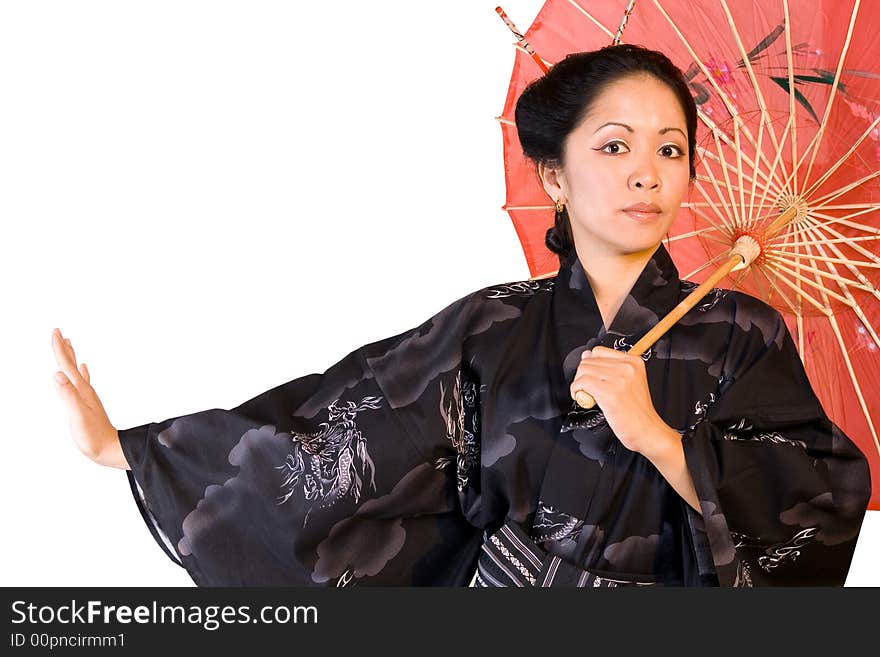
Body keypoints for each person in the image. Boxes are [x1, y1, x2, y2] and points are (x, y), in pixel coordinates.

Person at [51, 44, 871, 587]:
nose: (647, 174)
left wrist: (656, 434)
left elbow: (823, 502)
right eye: (614, 146)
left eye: (670, 149)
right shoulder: (492, 327)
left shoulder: (742, 332)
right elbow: (343, 435)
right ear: (554, 175)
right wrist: (126, 449)